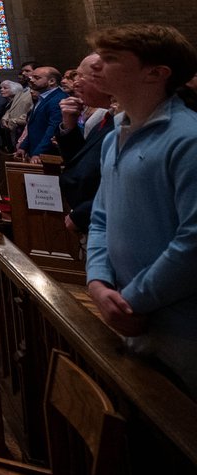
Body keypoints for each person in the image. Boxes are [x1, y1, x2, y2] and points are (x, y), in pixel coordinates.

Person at [84, 24, 197, 395]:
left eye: (111, 58)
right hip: (126, 309)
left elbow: (192, 241)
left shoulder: (187, 138)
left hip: (181, 323)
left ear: (156, 73)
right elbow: (102, 216)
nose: (96, 65)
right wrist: (98, 280)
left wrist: (134, 301)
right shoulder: (117, 130)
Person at [56, 51, 115, 237]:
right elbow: (80, 161)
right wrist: (69, 126)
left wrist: (82, 214)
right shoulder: (106, 118)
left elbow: (118, 184)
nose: (75, 83)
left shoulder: (129, 122)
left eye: (82, 76)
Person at [17, 66, 64, 160]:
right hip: (35, 149)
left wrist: (39, 153)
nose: (31, 80)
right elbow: (34, 126)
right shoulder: (43, 97)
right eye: (32, 77)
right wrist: (24, 146)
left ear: (51, 81)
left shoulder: (57, 99)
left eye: (37, 78)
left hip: (48, 154)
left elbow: (52, 129)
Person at [0, 77, 32, 152]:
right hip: (10, 132)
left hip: (20, 130)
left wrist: (14, 121)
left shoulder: (30, 93)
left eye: (5, 88)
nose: (1, 90)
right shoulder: (22, 92)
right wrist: (4, 119)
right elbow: (9, 110)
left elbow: (29, 112)